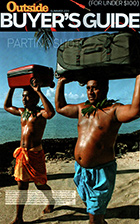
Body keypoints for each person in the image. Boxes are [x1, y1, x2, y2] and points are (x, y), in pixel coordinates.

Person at [55, 75, 140, 224]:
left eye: (95, 88)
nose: (90, 92)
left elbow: (135, 110)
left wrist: (139, 77)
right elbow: (60, 108)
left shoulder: (113, 110)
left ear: (106, 88)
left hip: (101, 173)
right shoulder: (82, 109)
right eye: (88, 88)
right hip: (81, 171)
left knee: (94, 218)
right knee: (92, 211)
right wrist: (61, 83)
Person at [4, 78, 55, 224]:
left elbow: (51, 113)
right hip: (22, 155)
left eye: (27, 96)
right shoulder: (22, 112)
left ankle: (51, 200)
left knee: (40, 184)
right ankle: (19, 218)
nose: (24, 99)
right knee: (22, 186)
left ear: (34, 98)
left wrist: (39, 91)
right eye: (23, 96)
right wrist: (12, 87)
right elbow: (7, 106)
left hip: (35, 154)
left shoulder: (40, 113)